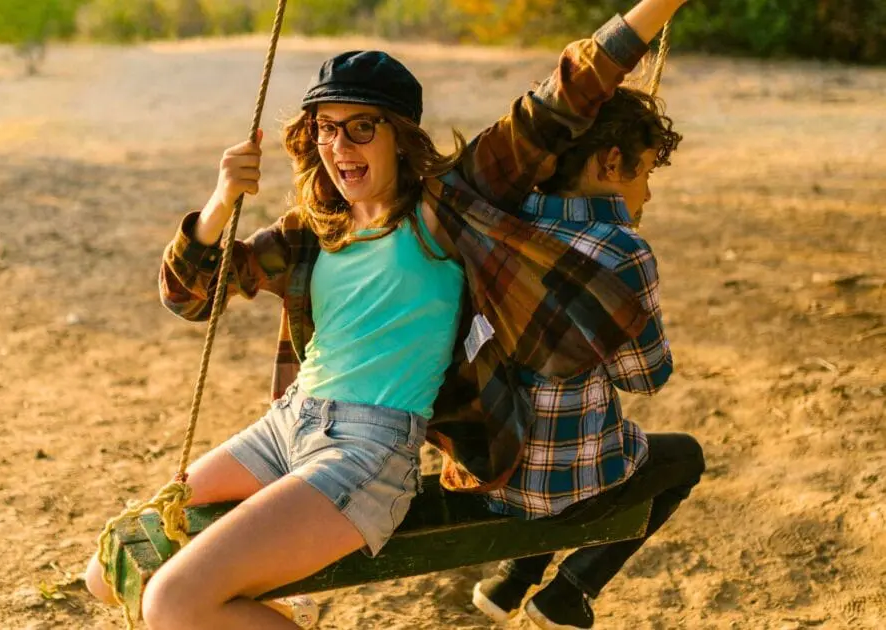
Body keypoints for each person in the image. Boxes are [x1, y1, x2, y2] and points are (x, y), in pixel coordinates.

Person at [84, 0, 690, 627]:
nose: (338, 145)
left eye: (361, 127)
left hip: (366, 452)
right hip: (286, 426)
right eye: (325, 128)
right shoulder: (312, 231)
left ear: (400, 136)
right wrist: (219, 203)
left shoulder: (444, 205)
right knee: (109, 572)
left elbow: (564, 96)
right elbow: (190, 298)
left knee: (173, 601)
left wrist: (657, 9)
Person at [470, 87, 705, 629]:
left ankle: (513, 580)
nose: (648, 192)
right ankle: (569, 592)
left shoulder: (504, 225)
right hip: (557, 488)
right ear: (612, 162)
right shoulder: (621, 250)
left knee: (567, 433)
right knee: (682, 459)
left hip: (486, 470)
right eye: (646, 172)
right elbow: (645, 377)